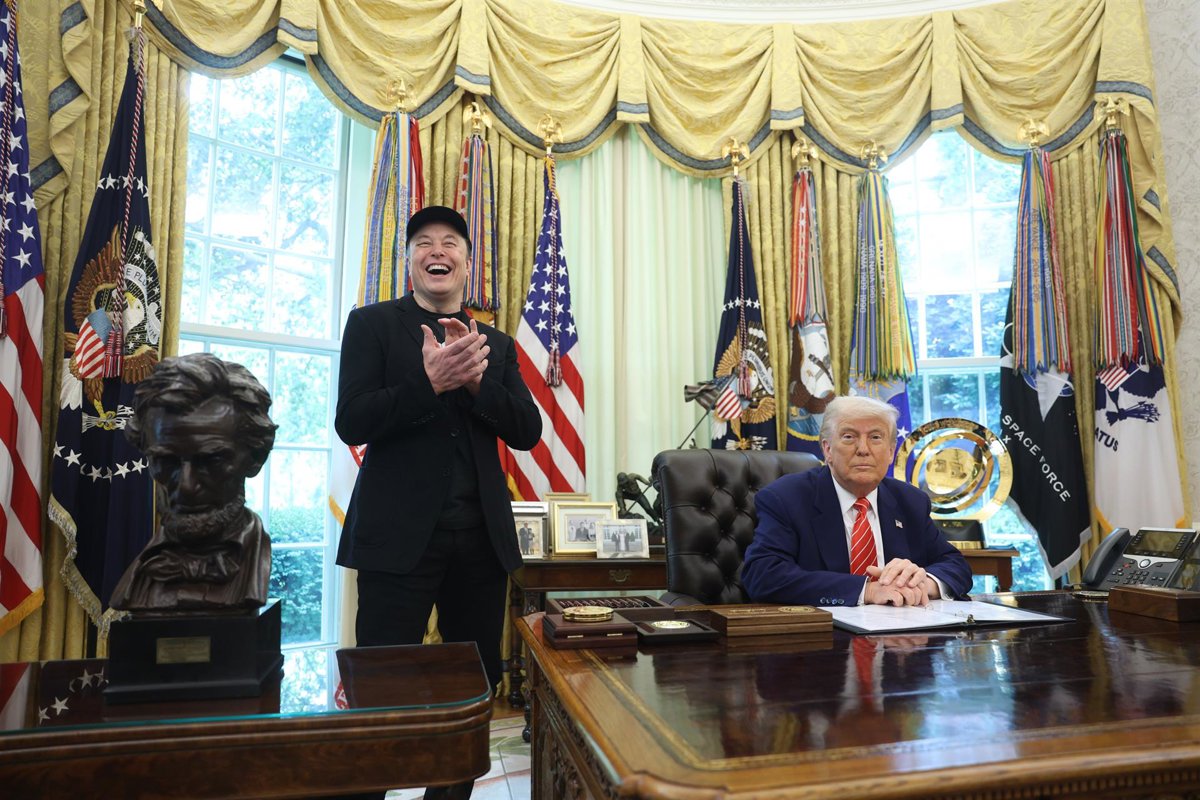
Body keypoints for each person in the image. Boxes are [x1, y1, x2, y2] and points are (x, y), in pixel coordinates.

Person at [335, 205, 541, 695]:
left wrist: (476, 385)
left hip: (479, 542)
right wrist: (429, 382)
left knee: (473, 683)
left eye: (450, 243)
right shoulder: (371, 324)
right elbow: (352, 421)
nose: (437, 251)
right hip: (395, 538)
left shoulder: (494, 344)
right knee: (383, 683)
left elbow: (527, 431)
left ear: (467, 264)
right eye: (424, 242)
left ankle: (458, 752)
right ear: (409, 260)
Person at [742, 395, 972, 607]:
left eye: (875, 437)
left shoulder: (910, 501)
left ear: (890, 452)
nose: (863, 449)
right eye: (849, 437)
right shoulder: (786, 498)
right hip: (825, 633)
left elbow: (955, 565)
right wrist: (867, 590)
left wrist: (923, 583)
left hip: (901, 632)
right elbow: (763, 575)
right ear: (827, 449)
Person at [110, 354, 277, 612]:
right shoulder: (137, 579)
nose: (187, 486)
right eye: (167, 461)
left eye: (211, 461)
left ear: (256, 458)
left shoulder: (254, 560)